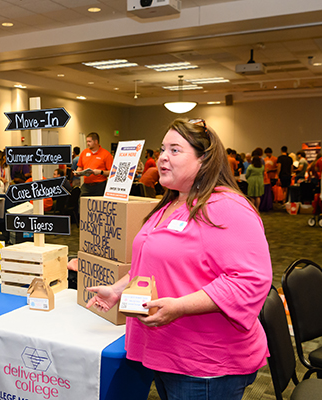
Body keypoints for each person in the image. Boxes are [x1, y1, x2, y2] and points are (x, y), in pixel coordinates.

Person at [86, 118, 272, 400]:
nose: (162, 157)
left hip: (206, 364)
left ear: (205, 160)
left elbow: (250, 280)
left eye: (175, 150)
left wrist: (180, 307)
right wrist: (116, 290)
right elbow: (152, 266)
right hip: (169, 353)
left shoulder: (227, 208)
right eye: (162, 149)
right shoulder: (172, 203)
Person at [76, 132, 113, 197]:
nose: (87, 143)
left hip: (100, 186)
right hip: (86, 185)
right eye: (87, 141)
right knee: (81, 203)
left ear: (96, 142)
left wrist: (100, 172)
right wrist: (77, 172)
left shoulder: (106, 154)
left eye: (89, 141)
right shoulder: (84, 153)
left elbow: (112, 173)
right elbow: (80, 167)